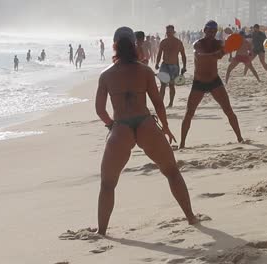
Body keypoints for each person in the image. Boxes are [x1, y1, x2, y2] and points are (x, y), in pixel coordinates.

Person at [95, 27, 197, 236]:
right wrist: (166, 128)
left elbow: (99, 109)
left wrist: (111, 125)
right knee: (171, 171)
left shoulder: (106, 75)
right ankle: (191, 217)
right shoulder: (144, 71)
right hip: (145, 124)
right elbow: (158, 104)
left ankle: (102, 231)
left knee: (108, 183)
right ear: (134, 45)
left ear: (114, 45)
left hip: (121, 127)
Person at [180, 21, 243, 149]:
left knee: (228, 110)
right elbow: (201, 56)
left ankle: (240, 138)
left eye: (214, 32)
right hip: (199, 82)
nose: (211, 34)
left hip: (214, 81)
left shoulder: (218, 43)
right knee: (189, 113)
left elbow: (229, 47)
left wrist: (226, 50)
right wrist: (217, 54)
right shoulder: (197, 44)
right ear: (204, 30)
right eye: (209, 31)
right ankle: (182, 144)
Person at [155, 25, 187, 108]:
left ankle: (171, 103)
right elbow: (159, 54)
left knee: (171, 85)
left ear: (173, 32)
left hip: (174, 66)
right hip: (164, 65)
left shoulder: (178, 42)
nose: (168, 33)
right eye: (167, 32)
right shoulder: (163, 42)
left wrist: (184, 66)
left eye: (170, 32)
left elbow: (183, 55)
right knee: (163, 85)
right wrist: (157, 63)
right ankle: (160, 103)